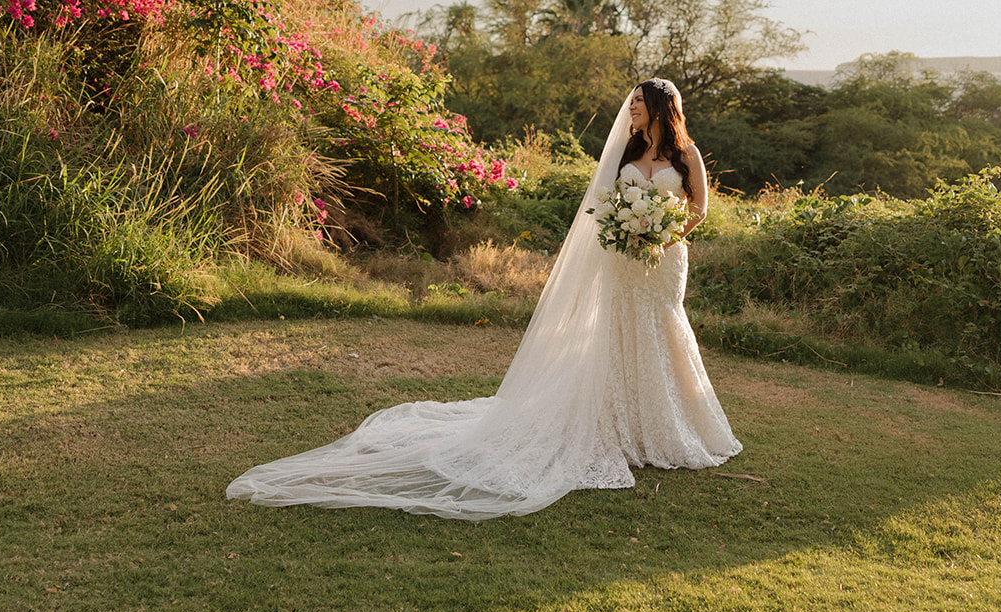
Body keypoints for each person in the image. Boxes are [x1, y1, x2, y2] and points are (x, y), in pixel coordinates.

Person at [225, 78, 741, 520]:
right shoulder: (626, 152)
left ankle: (668, 424)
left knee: (662, 329)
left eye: (637, 103)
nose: (630, 110)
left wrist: (661, 236)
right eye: (630, 104)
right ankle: (621, 426)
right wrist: (626, 232)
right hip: (622, 260)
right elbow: (604, 202)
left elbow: (698, 208)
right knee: (618, 332)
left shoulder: (685, 154)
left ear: (660, 107)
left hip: (663, 261)